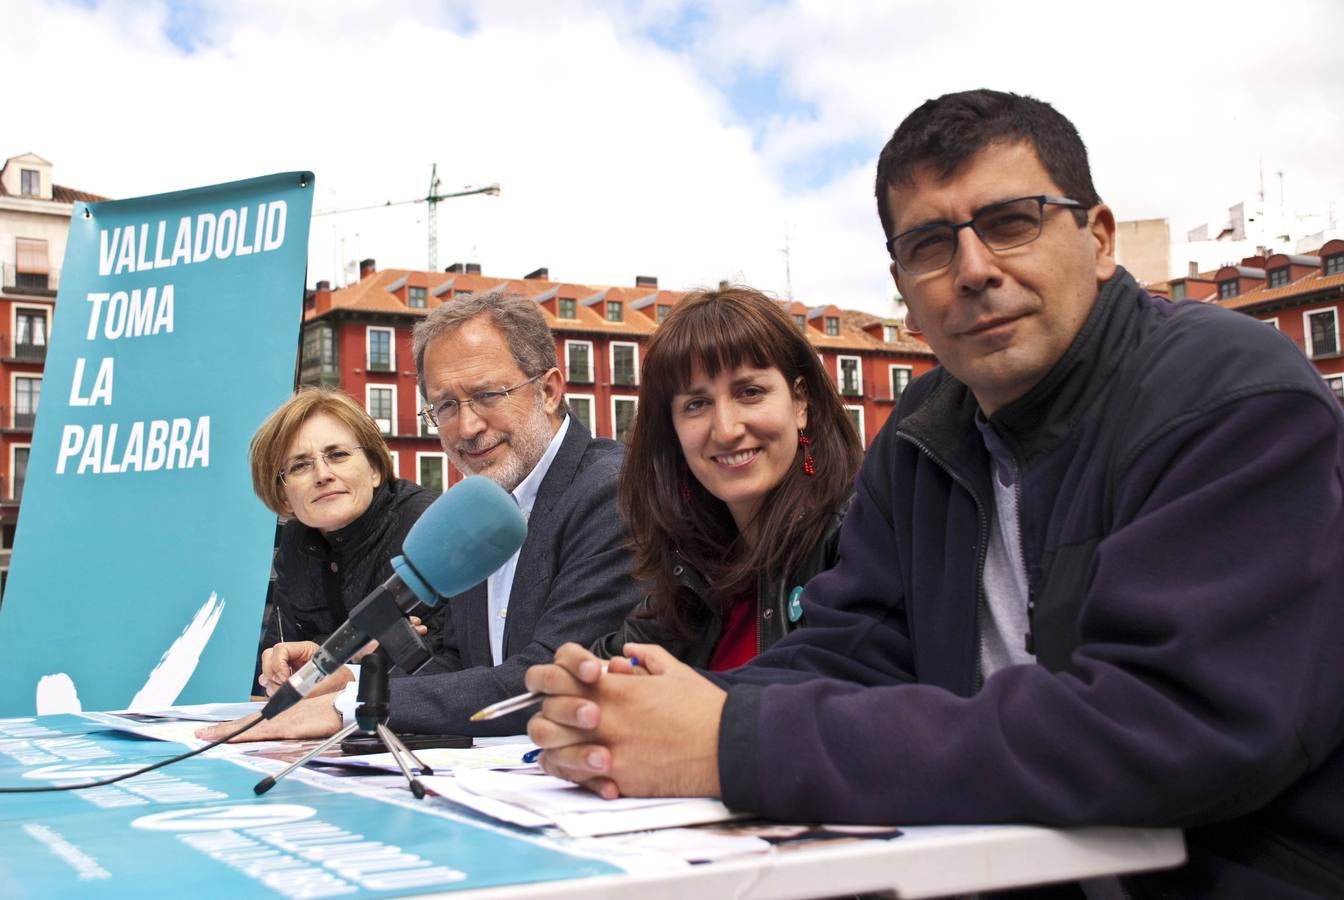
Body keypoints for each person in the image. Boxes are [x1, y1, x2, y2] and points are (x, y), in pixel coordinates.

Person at [524, 89, 1344, 897]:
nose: (974, 270)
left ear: (1097, 237)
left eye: (1011, 222)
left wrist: (729, 740)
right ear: (904, 288)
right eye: (930, 244)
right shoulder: (923, 430)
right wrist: (640, 712)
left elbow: (1170, 726)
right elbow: (850, 651)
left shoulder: (1234, 396)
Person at [199, 290, 642, 741]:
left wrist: (348, 707)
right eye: (445, 406)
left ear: (548, 391)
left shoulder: (610, 492)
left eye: (488, 394)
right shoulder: (477, 506)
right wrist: (350, 681)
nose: (466, 427)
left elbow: (546, 681)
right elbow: (461, 665)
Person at [591, 285, 861, 668]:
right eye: (696, 404)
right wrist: (579, 681)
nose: (726, 429)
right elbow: (613, 665)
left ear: (800, 402)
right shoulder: (693, 569)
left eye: (749, 392)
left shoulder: (860, 538)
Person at [248, 387, 437, 694]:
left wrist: (343, 667)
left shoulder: (425, 525)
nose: (322, 474)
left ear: (375, 469)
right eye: (300, 465)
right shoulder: (296, 541)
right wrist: (278, 669)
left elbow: (452, 666)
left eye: (337, 455)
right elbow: (283, 655)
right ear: (283, 494)